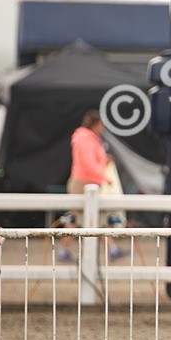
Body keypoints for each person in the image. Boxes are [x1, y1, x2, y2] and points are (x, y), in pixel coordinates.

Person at [59, 110, 125, 261]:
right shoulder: (86, 140)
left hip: (87, 182)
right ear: (95, 124)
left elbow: (90, 161)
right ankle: (65, 249)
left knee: (89, 218)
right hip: (83, 183)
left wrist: (103, 161)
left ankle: (112, 248)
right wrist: (104, 177)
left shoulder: (88, 138)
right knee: (78, 219)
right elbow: (88, 164)